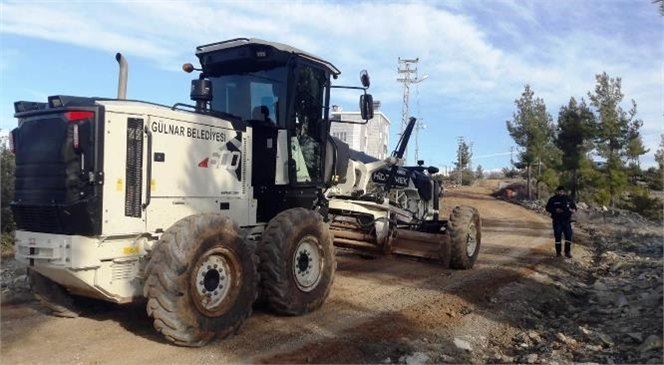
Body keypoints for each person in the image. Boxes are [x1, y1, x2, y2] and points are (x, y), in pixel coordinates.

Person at [545, 186, 577, 258]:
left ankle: (567, 252)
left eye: (562, 191)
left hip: (567, 221)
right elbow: (547, 208)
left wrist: (573, 210)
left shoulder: (568, 199)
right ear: (556, 191)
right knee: (558, 236)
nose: (560, 192)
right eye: (559, 191)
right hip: (557, 221)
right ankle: (558, 253)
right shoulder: (553, 199)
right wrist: (555, 210)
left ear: (564, 191)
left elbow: (574, 208)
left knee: (568, 236)